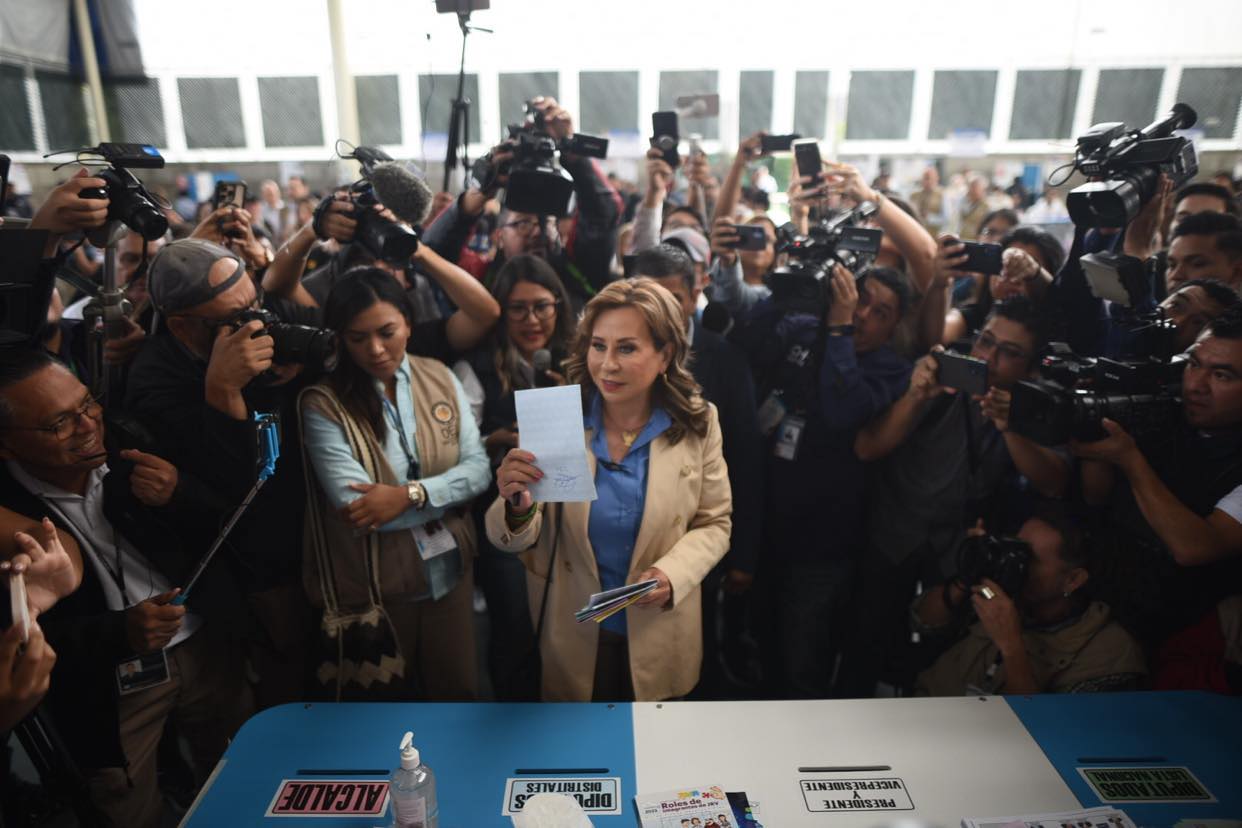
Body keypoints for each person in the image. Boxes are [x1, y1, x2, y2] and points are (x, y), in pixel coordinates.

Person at [0, 348, 250, 827]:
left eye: (88, 404)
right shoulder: (7, 519)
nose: (89, 425)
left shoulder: (133, 441)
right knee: (125, 807)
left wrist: (180, 493)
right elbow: (18, 642)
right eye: (59, 424)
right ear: (7, 446)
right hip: (104, 687)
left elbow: (231, 523)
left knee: (238, 773)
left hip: (204, 647)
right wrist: (120, 632)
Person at [487, 278, 732, 701]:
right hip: (575, 632)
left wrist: (673, 575)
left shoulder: (698, 422)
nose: (607, 364)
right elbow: (514, 538)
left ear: (665, 355)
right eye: (598, 346)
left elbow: (715, 523)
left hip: (660, 629)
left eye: (627, 348)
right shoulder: (559, 417)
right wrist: (517, 506)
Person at [840, 297, 1070, 696]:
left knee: (939, 658)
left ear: (1031, 367)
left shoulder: (1038, 404)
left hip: (957, 548)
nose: (989, 359)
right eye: (985, 342)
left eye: (1009, 353)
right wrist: (916, 396)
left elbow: (1054, 482)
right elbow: (867, 448)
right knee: (864, 648)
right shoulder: (941, 376)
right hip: (893, 531)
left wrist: (1009, 425)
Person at [300, 269, 490, 699]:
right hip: (375, 589)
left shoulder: (438, 375)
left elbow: (480, 469)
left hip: (450, 574)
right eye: (357, 338)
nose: (375, 349)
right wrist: (449, 490)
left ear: (408, 320)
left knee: (457, 700)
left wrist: (410, 494)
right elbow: (363, 512)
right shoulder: (323, 403)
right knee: (386, 718)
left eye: (387, 332)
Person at [636, 244, 763, 695]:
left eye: (673, 298)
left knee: (690, 662)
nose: (662, 311)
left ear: (696, 294)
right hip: (625, 547)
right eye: (648, 298)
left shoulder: (724, 359)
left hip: (697, 541)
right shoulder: (613, 363)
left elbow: (746, 459)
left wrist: (744, 552)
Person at [1074, 307, 1242, 643]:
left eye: (1221, 375)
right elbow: (1096, 496)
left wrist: (1131, 460)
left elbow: (1194, 548)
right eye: (1194, 364)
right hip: (1099, 596)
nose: (1195, 386)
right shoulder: (1161, 409)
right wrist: (1094, 428)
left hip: (1181, 633)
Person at [468, 254, 577, 700]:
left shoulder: (581, 361)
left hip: (571, 517)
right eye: (518, 308)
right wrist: (494, 438)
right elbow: (456, 447)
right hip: (507, 518)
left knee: (567, 629)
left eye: (542, 306)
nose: (532, 319)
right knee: (514, 625)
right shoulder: (478, 366)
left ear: (559, 305)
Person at [422, 96, 622, 310]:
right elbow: (432, 258)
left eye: (547, 223)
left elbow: (602, 215)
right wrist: (480, 194)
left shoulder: (579, 272)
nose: (537, 233)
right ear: (498, 237)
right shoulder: (480, 280)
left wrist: (576, 159)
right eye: (523, 224)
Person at [914, 514, 1147, 695]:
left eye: (1029, 559)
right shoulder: (994, 591)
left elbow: (1049, 733)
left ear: (1073, 579)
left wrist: (1011, 645)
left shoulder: (1109, 652)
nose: (1014, 563)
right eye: (1015, 548)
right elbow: (922, 623)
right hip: (927, 717)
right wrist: (971, 571)